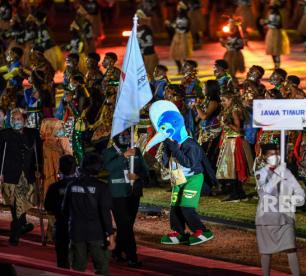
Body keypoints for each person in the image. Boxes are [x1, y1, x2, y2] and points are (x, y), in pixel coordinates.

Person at [144, 100, 214, 246]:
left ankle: (201, 230)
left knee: (186, 206)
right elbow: (165, 161)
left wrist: (174, 148)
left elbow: (189, 163)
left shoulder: (190, 144)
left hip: (192, 177)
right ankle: (178, 231)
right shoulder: (170, 143)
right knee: (174, 205)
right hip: (178, 175)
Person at [62, 153, 115, 275]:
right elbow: (105, 213)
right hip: (96, 233)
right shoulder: (102, 187)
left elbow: (64, 210)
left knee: (77, 269)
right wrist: (111, 235)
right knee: (101, 268)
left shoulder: (72, 185)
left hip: (76, 232)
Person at [255, 143, 304, 276]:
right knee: (266, 251)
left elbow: (299, 192)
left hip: (284, 217)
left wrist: (293, 200)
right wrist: (278, 174)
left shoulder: (286, 172)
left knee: (291, 248)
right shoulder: (260, 173)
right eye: (271, 154)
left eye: (276, 154)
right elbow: (265, 190)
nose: (275, 157)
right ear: (264, 157)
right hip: (266, 218)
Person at [103, 130, 149, 267]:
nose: (125, 137)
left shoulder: (136, 151)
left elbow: (145, 172)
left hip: (133, 193)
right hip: (117, 194)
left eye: (127, 134)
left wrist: (138, 176)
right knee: (125, 226)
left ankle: (117, 251)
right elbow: (108, 168)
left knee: (126, 226)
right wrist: (124, 156)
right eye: (122, 134)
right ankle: (132, 257)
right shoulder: (109, 152)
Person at [0, 108, 42, 245]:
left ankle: (20, 227)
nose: (15, 122)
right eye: (13, 119)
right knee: (15, 203)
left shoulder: (33, 134)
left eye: (18, 119)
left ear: (24, 120)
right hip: (10, 174)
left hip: (27, 174)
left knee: (21, 203)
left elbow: (39, 154)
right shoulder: (4, 134)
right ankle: (16, 233)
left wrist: (38, 169)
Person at [216, 91, 253, 201]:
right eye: (221, 100)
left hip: (234, 142)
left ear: (231, 99)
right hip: (229, 141)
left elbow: (238, 129)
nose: (222, 103)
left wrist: (228, 124)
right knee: (231, 169)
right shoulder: (230, 110)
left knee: (233, 169)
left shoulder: (234, 111)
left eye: (224, 100)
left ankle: (236, 193)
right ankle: (238, 193)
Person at [44, 155, 76, 269]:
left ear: (60, 168)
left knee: (62, 260)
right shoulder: (82, 185)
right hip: (79, 227)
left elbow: (48, 206)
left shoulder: (54, 187)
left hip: (62, 225)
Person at [262, 0, 290, 69]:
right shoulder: (271, 12)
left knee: (276, 50)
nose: (270, 4)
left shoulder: (277, 13)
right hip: (271, 31)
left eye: (272, 3)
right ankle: (275, 64)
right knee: (272, 50)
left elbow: (277, 24)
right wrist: (265, 22)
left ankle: (277, 65)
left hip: (276, 32)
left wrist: (266, 23)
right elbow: (270, 21)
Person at [167, 1, 193, 75]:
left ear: (181, 8)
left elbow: (183, 28)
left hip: (183, 37)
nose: (177, 7)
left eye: (179, 6)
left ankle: (185, 70)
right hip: (177, 36)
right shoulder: (179, 16)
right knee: (175, 55)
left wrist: (172, 26)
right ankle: (180, 68)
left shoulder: (185, 18)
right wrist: (170, 25)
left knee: (183, 55)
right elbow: (176, 26)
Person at [136, 9, 159, 78]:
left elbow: (150, 43)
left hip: (149, 55)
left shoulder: (146, 29)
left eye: (137, 19)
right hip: (142, 56)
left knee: (150, 75)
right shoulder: (138, 29)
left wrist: (141, 45)